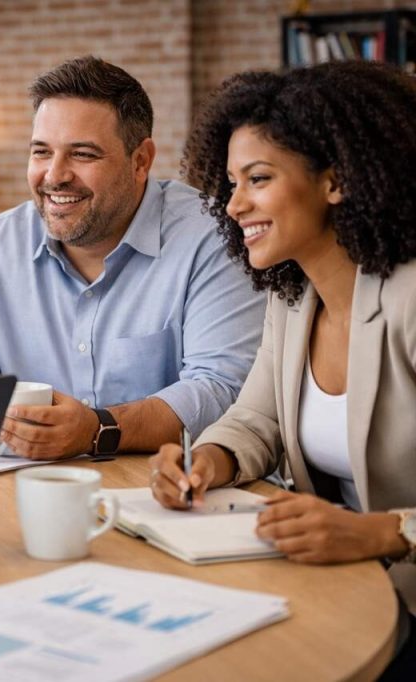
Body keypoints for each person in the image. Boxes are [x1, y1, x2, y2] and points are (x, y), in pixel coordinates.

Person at [149, 60, 416, 677]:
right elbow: (256, 417)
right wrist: (205, 462)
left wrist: (381, 534)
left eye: (258, 179)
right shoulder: (294, 293)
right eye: (231, 183)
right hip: (345, 589)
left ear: (338, 180)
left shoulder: (409, 300)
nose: (234, 204)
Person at [0, 56, 264, 459]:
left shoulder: (210, 235)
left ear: (141, 161)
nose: (54, 175)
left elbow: (223, 387)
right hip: (25, 482)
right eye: (41, 152)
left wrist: (99, 429)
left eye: (82, 154)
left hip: (163, 492)